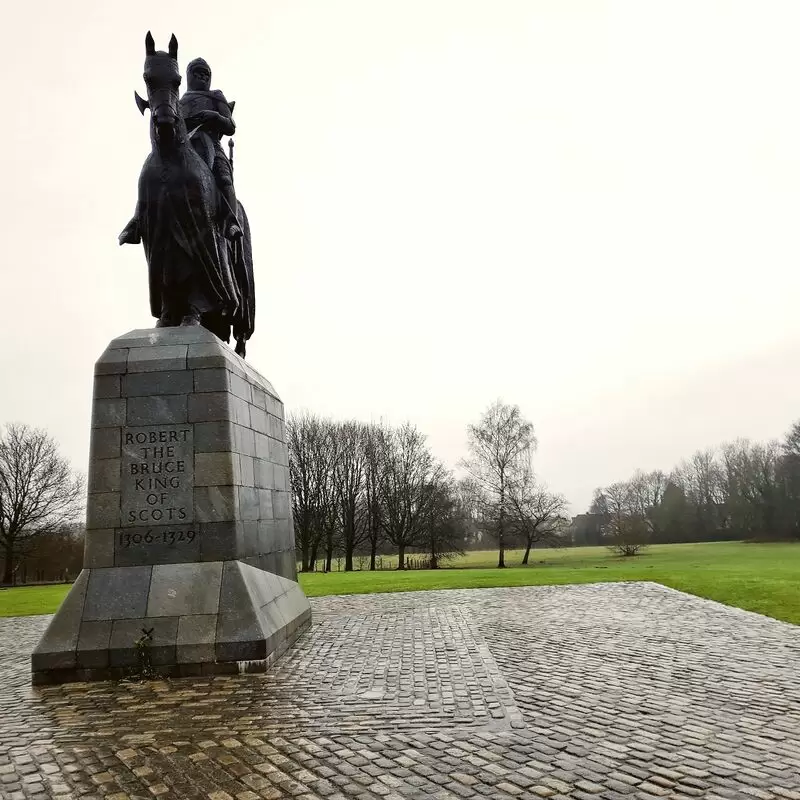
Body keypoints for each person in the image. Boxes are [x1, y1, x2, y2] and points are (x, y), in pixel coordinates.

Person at [180, 57, 242, 240]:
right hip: (184, 146)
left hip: (212, 145)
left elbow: (230, 126)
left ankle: (231, 222)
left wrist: (213, 116)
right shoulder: (179, 101)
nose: (202, 77)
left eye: (205, 74)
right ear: (189, 76)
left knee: (224, 178)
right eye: (197, 73)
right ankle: (139, 220)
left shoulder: (216, 96)